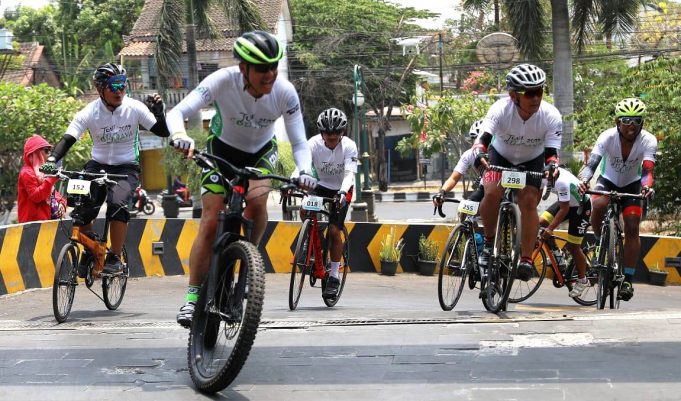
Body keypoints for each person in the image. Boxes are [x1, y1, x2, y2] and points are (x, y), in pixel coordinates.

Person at [167, 30, 316, 327]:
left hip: (259, 154)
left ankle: (250, 262)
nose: (270, 74)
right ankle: (193, 297)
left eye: (274, 66)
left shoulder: (285, 92)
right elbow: (177, 112)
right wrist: (180, 134)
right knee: (209, 220)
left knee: (258, 202)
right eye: (262, 68)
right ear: (243, 68)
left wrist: (304, 170)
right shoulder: (222, 81)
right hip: (220, 153)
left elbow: (300, 143)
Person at [41, 62, 170, 274]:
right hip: (97, 165)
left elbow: (162, 133)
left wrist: (160, 114)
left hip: (126, 167)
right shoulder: (90, 112)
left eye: (123, 84)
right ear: (100, 88)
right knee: (82, 206)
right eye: (113, 85)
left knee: (117, 204)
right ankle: (90, 250)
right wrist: (53, 159)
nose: (120, 90)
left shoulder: (135, 108)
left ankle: (115, 258)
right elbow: (69, 138)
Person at [474, 63, 562, 284]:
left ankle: (525, 260)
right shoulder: (500, 109)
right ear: (514, 96)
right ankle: (487, 243)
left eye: (540, 92)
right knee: (492, 192)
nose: (536, 98)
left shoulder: (551, 115)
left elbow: (551, 153)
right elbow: (483, 138)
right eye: (529, 93)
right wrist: (478, 153)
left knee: (529, 201)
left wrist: (552, 167)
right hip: (500, 157)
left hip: (532, 160)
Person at [578, 98, 657, 301]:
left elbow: (647, 170)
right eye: (626, 120)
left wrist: (647, 187)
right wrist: (584, 180)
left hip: (632, 184)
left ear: (642, 123)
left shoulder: (648, 140)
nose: (631, 125)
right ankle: (599, 242)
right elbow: (592, 164)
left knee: (632, 225)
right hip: (608, 180)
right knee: (599, 203)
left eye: (636, 120)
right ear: (617, 121)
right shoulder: (607, 137)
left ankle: (628, 279)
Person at [293, 107, 357, 299]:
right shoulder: (312, 144)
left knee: (335, 231)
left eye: (335, 135)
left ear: (342, 133)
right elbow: (301, 167)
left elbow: (349, 174)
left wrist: (343, 192)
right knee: (304, 210)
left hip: (342, 188)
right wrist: (292, 181)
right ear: (321, 133)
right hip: (320, 185)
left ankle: (335, 276)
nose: (331, 138)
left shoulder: (349, 146)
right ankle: (314, 242)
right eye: (328, 135)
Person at [538, 167, 592, 298]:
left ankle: (583, 280)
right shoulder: (544, 172)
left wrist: (550, 229)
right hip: (567, 202)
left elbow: (564, 209)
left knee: (574, 246)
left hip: (581, 206)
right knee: (541, 223)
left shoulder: (561, 182)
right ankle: (558, 256)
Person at [434, 119, 486, 208]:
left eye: (484, 140)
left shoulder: (501, 151)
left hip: (501, 186)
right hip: (484, 186)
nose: (478, 143)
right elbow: (454, 178)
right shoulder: (469, 154)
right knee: (464, 210)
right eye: (475, 139)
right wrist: (442, 192)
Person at [17, 135, 66, 223]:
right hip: (31, 227)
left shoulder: (42, 171)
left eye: (50, 150)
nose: (50, 154)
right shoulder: (27, 172)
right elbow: (36, 196)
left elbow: (53, 193)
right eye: (46, 150)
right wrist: (51, 179)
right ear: (36, 153)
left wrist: (62, 203)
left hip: (46, 223)